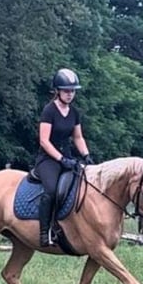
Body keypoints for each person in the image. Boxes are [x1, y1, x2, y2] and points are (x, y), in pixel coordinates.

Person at [35, 68, 95, 246]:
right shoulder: (49, 111)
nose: (70, 94)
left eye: (73, 91)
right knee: (52, 191)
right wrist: (61, 159)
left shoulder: (74, 112)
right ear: (58, 91)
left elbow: (78, 137)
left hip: (68, 158)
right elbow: (44, 141)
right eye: (67, 91)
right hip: (48, 159)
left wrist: (86, 155)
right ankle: (45, 232)